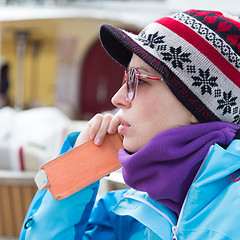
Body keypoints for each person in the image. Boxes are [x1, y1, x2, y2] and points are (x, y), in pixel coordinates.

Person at [20, 9, 240, 239]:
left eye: (139, 80)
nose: (116, 98)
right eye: (126, 79)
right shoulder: (123, 214)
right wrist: (77, 168)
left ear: (197, 104)